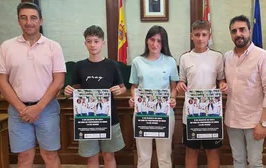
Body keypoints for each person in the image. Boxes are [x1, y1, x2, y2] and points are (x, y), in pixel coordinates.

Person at [0, 2, 66, 168]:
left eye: (33, 18)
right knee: (24, 156)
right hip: (17, 111)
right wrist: (22, 108)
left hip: (47, 109)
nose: (29, 22)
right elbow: (1, 81)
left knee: (50, 155)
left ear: (41, 21)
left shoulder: (53, 46)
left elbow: (59, 81)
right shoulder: (7, 47)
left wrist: (38, 107)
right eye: (24, 18)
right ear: (18, 21)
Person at [64, 25, 126, 168]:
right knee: (91, 157)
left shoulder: (112, 65)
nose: (93, 45)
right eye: (89, 41)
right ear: (85, 43)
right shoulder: (79, 66)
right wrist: (68, 90)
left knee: (109, 155)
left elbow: (123, 89)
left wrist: (119, 90)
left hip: (109, 118)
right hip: (86, 118)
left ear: (102, 43)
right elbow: (76, 89)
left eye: (96, 41)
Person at [176, 20, 227, 168]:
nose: (200, 38)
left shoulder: (217, 57)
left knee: (212, 151)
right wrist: (180, 85)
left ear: (209, 36)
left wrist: (222, 85)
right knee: (192, 151)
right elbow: (181, 81)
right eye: (197, 34)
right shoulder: (185, 58)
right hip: (191, 113)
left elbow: (221, 80)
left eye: (204, 34)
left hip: (211, 112)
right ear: (191, 36)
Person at [129, 25, 178, 168]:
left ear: (164, 44)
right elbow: (134, 87)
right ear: (147, 40)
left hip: (165, 113)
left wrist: (173, 98)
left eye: (159, 41)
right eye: (152, 39)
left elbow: (173, 87)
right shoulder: (137, 61)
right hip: (142, 114)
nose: (155, 44)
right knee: (143, 157)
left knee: (164, 157)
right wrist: (134, 98)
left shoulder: (170, 61)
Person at [222, 15, 266, 167]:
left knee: (254, 163)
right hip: (232, 120)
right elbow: (227, 84)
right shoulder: (227, 57)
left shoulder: (262, 56)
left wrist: (263, 123)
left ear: (250, 30)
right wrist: (223, 86)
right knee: (238, 161)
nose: (238, 34)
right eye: (234, 31)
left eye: (242, 29)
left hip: (254, 122)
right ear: (230, 34)